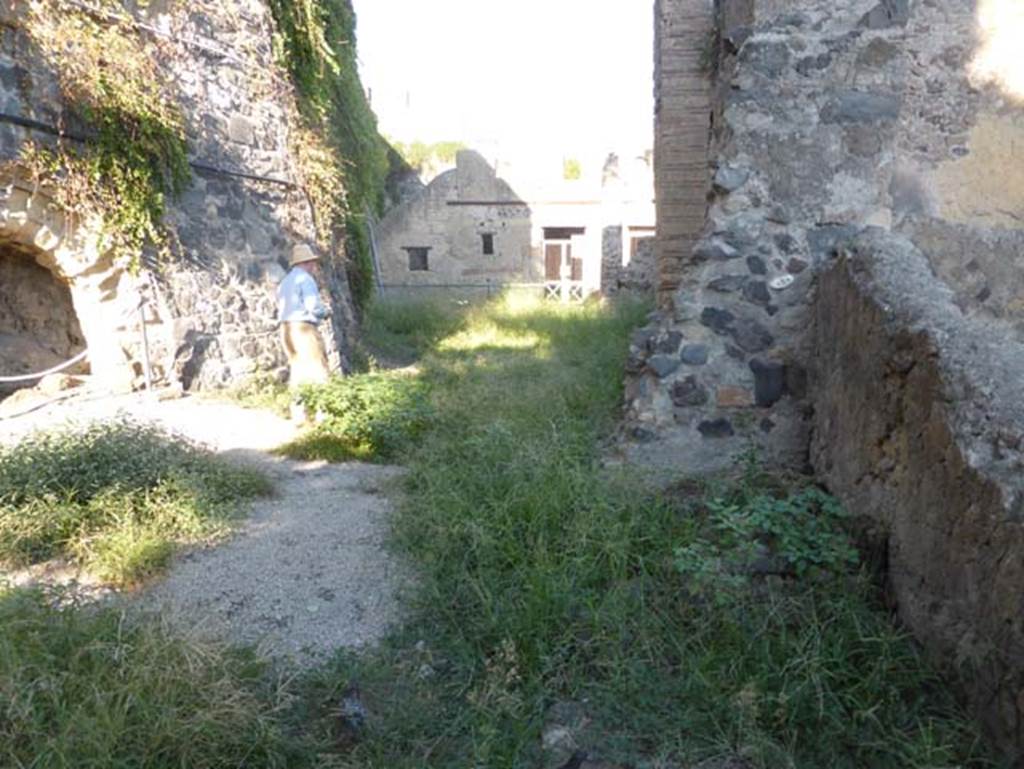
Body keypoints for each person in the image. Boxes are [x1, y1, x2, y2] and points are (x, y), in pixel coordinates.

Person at [277, 244, 331, 420]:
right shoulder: (305, 279)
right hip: (303, 328)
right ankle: (324, 413)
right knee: (318, 369)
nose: (315, 267)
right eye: (313, 263)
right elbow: (313, 306)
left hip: (286, 329)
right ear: (307, 263)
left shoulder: (285, 282)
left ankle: (299, 414)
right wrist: (325, 312)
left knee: (298, 371)